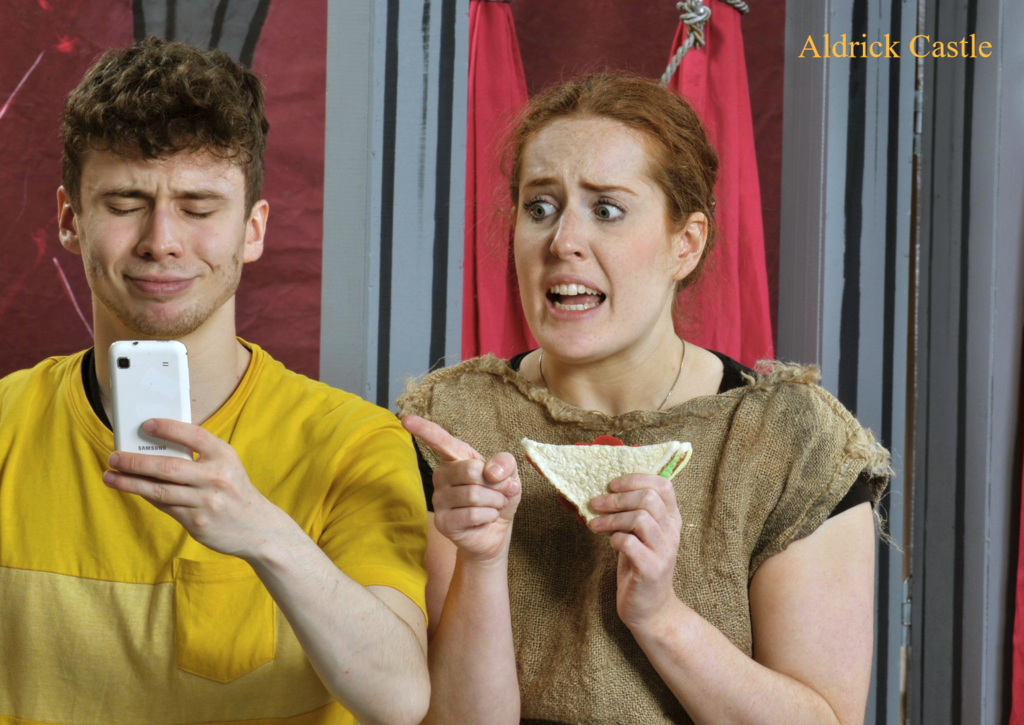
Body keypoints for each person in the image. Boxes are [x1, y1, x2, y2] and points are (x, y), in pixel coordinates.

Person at [398, 74, 890, 725]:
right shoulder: (450, 423)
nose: (562, 241)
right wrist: (481, 562)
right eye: (539, 207)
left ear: (685, 243)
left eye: (606, 209)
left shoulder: (794, 440)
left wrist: (660, 615)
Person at [0, 38, 429, 725]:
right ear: (70, 220)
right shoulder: (6, 425)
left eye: (198, 207)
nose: (161, 239)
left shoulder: (356, 443)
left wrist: (264, 534)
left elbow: (399, 700)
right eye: (125, 201)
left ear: (252, 230)